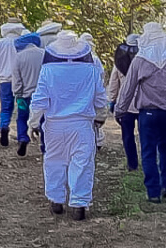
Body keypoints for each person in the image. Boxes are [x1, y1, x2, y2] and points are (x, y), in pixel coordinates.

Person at [29, 31, 109, 221]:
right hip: (82, 124)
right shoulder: (90, 69)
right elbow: (100, 98)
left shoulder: (48, 70)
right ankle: (79, 205)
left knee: (54, 162)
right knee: (82, 163)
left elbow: (39, 99)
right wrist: (101, 116)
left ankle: (56, 201)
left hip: (54, 125)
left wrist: (33, 122)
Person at [117, 22, 166, 203]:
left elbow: (128, 89)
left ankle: (153, 192)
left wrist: (120, 110)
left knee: (148, 151)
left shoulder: (140, 60)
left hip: (147, 113)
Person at [0, 18, 27, 147]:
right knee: (22, 107)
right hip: (21, 81)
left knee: (6, 108)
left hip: (5, 81)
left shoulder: (0, 43)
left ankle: (4, 128)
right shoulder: (22, 42)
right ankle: (22, 134)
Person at [107, 34, 140, 170]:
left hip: (125, 105)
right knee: (146, 135)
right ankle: (149, 162)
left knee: (127, 136)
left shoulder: (119, 63)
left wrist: (112, 101)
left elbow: (114, 83)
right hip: (144, 104)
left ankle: (132, 165)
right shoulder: (146, 61)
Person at [11, 32, 45, 156]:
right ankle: (44, 146)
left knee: (22, 117)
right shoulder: (44, 54)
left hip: (25, 96)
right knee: (43, 120)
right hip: (42, 96)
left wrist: (17, 94)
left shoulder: (19, 57)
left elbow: (17, 79)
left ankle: (22, 138)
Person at [79, 33, 107, 151]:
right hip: (93, 91)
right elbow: (101, 75)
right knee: (94, 117)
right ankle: (97, 140)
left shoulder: (76, 57)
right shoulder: (95, 58)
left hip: (81, 92)